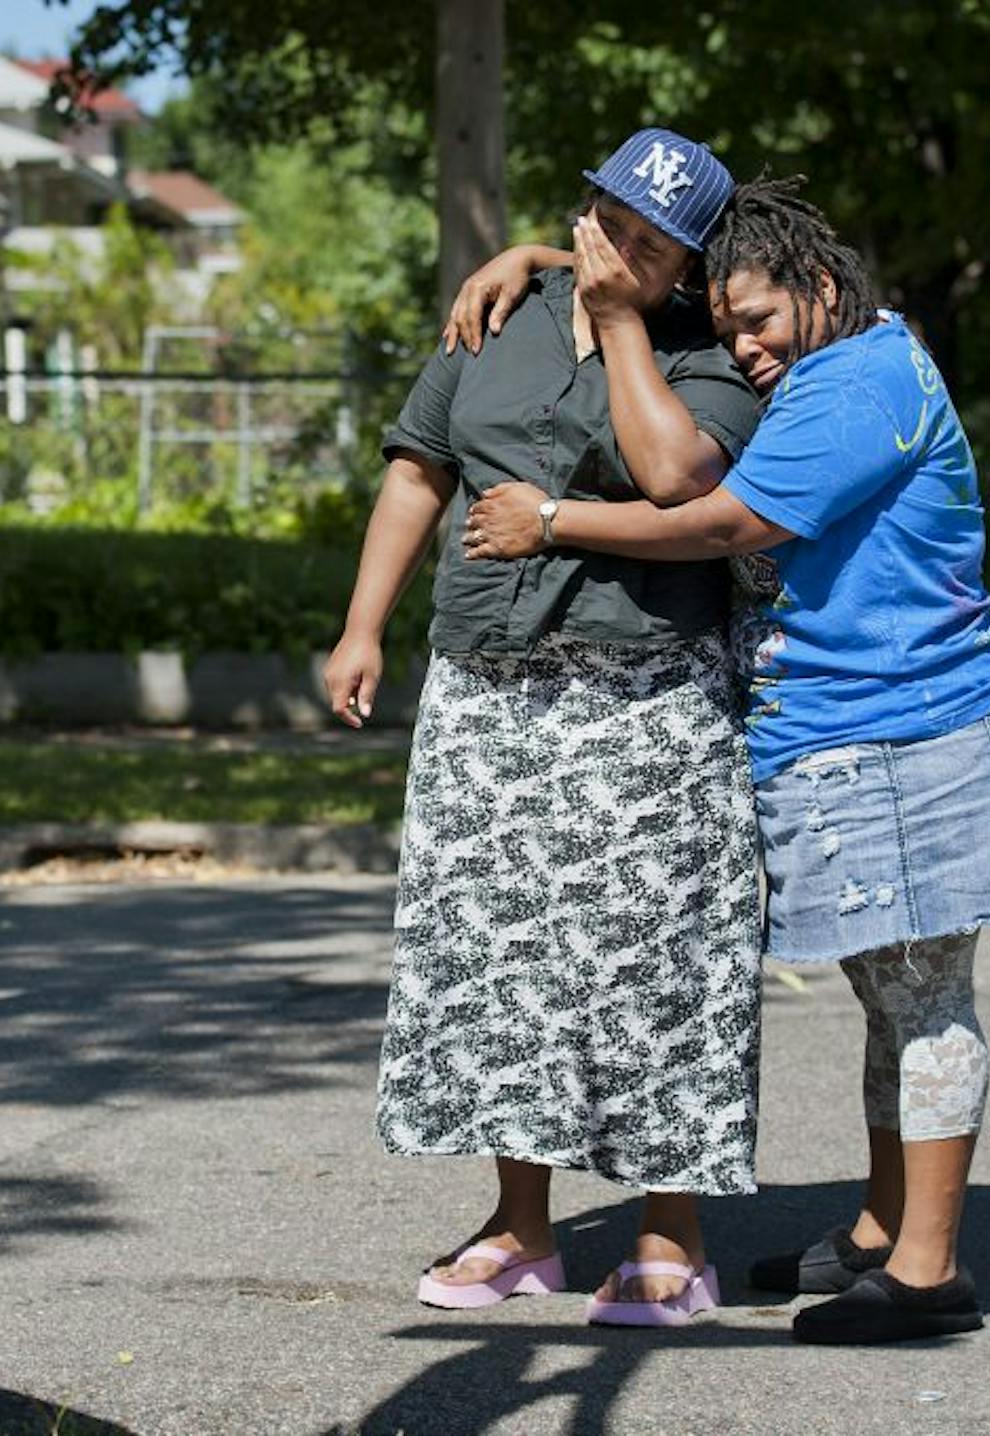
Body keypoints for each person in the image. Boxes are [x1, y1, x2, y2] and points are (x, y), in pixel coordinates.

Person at [447, 176, 990, 1343]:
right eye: (726, 325)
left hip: (913, 729)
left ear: (823, 289)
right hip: (849, 734)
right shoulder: (845, 352)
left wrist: (553, 520)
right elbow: (658, 269)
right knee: (889, 996)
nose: (742, 346)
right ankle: (883, 1229)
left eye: (758, 321)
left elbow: (723, 521)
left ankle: (928, 1271)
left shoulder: (859, 379)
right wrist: (538, 256)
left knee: (927, 998)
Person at [326, 129, 766, 1325]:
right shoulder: (498, 315)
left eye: (656, 247)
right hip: (486, 687)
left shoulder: (708, 350)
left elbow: (675, 476)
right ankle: (522, 1226)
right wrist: (363, 625)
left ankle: (670, 1232)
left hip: (647, 696)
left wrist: (624, 323)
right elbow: (420, 470)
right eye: (612, 225)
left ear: (689, 262)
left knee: (660, 961)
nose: (625, 254)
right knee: (498, 963)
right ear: (583, 212)